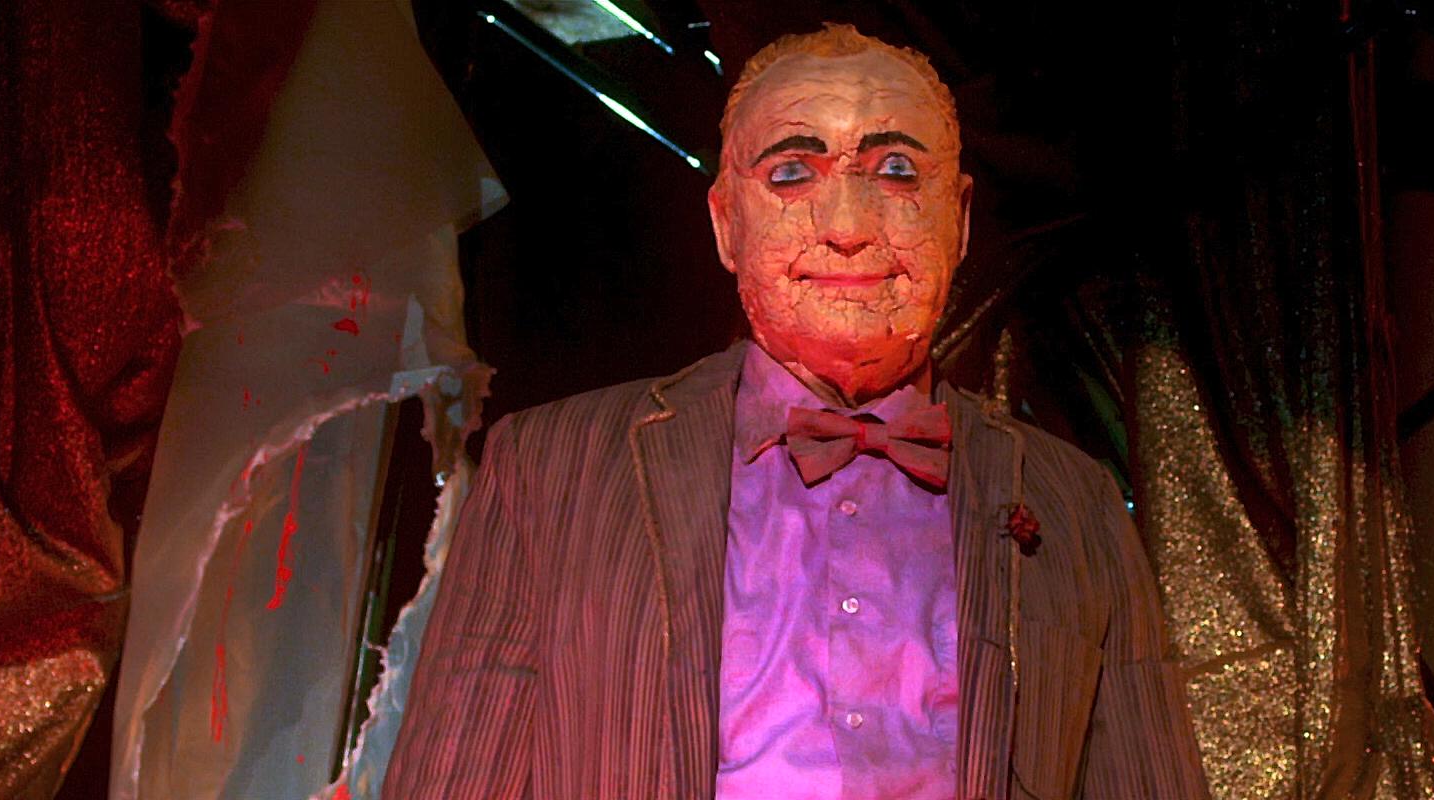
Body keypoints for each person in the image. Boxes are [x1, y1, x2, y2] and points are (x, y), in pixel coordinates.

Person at [382, 23, 1208, 800]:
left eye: (895, 170)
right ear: (726, 225)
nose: (847, 227)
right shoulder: (552, 468)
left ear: (957, 222)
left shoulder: (1074, 503)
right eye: (790, 173)